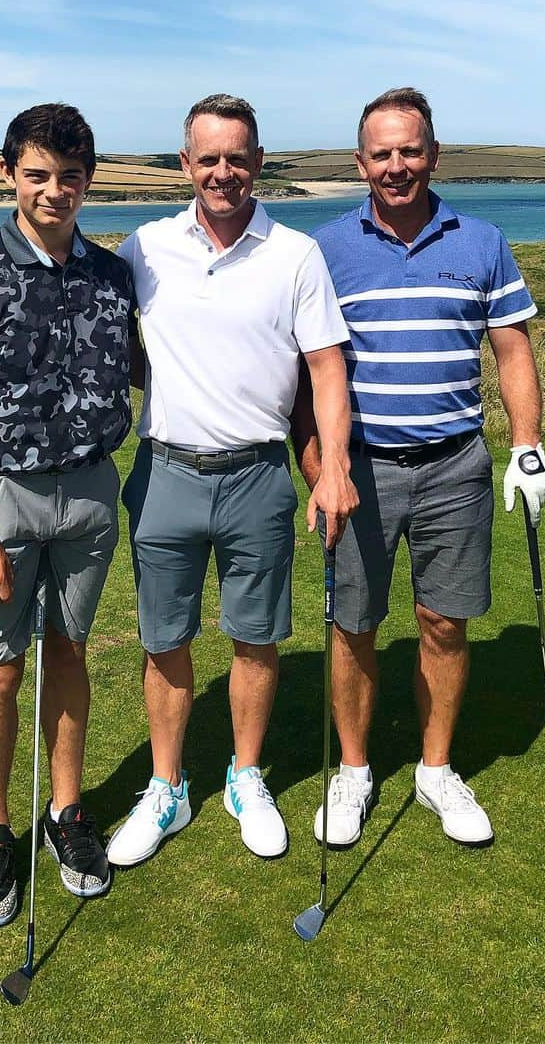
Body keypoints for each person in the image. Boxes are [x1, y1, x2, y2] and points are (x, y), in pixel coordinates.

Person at [292, 87, 545, 849]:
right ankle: (353, 769)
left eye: (411, 151)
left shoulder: (482, 241)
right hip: (361, 471)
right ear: (360, 162)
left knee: (444, 621)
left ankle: (436, 770)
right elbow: (311, 375)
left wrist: (527, 444)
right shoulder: (327, 250)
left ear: (434, 155)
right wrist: (319, 469)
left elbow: (512, 350)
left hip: (455, 467)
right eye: (383, 153)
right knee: (354, 625)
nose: (397, 166)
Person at [106, 94, 358, 866]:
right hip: (166, 471)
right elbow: (113, 349)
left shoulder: (294, 254)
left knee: (255, 638)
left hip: (258, 476)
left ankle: (246, 776)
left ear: (258, 163)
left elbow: (325, 367)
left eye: (237, 159)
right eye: (207, 158)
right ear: (185, 164)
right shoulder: (142, 249)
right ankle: (167, 787)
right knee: (165, 640)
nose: (223, 172)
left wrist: (333, 467)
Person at [0, 103, 136, 926]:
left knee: (70, 652)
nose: (56, 191)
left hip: (91, 493)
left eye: (72, 176)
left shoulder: (113, 274)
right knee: (2, 669)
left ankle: (65, 813)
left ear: (90, 178)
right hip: (6, 500)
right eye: (39, 174)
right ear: (10, 173)